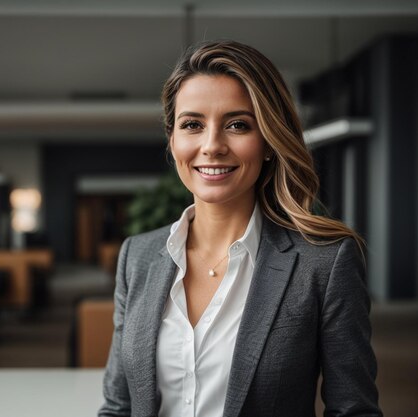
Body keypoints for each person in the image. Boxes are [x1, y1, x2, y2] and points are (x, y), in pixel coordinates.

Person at [98, 40, 382, 417]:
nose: (212, 146)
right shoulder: (138, 256)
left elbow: (354, 410)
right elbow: (118, 406)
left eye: (237, 125)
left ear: (267, 141)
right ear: (173, 139)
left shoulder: (324, 263)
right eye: (192, 125)